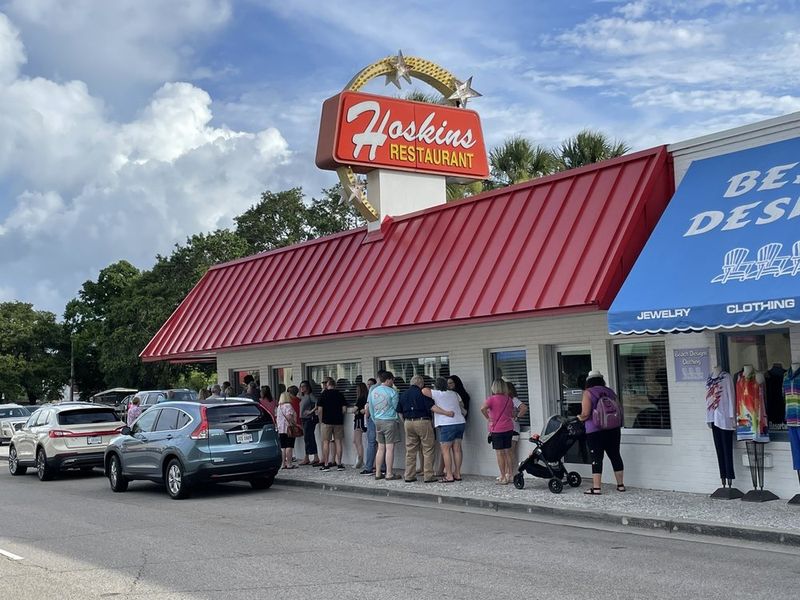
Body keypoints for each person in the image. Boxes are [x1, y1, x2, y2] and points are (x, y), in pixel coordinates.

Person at [398, 375, 454, 483]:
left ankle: (409, 475)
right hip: (423, 421)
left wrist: (405, 421)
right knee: (428, 449)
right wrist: (446, 413)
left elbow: (399, 411)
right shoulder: (423, 393)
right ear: (420, 383)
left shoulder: (403, 394)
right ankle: (428, 476)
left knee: (410, 450)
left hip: (408, 422)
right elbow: (431, 407)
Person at [578, 370, 625, 495]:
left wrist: (579, 418)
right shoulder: (610, 391)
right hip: (613, 429)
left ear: (588, 381)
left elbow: (586, 413)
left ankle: (596, 488)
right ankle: (620, 485)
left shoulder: (588, 393)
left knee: (596, 458)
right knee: (615, 455)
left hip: (595, 431)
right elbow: (619, 409)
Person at [367, 371, 401, 480]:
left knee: (380, 448)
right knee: (389, 448)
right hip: (390, 421)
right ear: (388, 380)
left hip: (378, 421)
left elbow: (370, 408)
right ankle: (389, 473)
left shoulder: (373, 391)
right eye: (392, 380)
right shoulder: (393, 392)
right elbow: (396, 408)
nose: (393, 382)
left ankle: (377, 472)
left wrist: (375, 419)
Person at [431, 377, 466, 482]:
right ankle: (458, 473)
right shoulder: (455, 394)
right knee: (457, 449)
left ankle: (449, 475)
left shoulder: (436, 393)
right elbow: (462, 405)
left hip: (446, 423)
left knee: (445, 450)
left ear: (436, 386)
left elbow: (424, 391)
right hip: (460, 422)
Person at [481, 379, 515, 484]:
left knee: (500, 453)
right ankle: (511, 475)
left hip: (497, 429)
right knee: (508, 451)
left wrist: (489, 418)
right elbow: (512, 413)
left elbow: (482, 408)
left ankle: (503, 476)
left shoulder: (491, 399)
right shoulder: (509, 399)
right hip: (509, 427)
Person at [317, 378, 347, 471]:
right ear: (335, 385)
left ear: (327, 385)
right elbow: (344, 410)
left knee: (326, 442)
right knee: (338, 442)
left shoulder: (323, 394)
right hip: (338, 422)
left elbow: (320, 410)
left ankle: (326, 464)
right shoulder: (340, 394)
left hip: (326, 421)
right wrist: (339, 416)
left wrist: (321, 420)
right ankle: (339, 464)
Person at [298, 380, 320, 466]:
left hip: (309, 419)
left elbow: (317, 402)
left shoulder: (310, 396)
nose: (302, 388)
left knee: (308, 438)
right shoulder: (303, 397)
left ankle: (307, 457)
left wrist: (311, 411)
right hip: (303, 419)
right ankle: (314, 456)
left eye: (303, 386)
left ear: (307, 387)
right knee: (308, 438)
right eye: (301, 386)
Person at [506, 381, 529, 461]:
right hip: (505, 427)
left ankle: (510, 472)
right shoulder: (503, 400)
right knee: (506, 452)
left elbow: (524, 408)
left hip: (513, 428)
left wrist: (517, 417)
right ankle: (507, 472)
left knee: (510, 450)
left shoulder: (513, 399)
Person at [361, 377, 379, 475]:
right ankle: (381, 467)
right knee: (381, 444)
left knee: (371, 443)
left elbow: (368, 406)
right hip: (382, 419)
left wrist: (367, 416)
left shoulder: (372, 390)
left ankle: (369, 467)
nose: (369, 386)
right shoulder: (388, 389)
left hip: (372, 419)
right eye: (367, 384)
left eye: (370, 384)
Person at [276, 392, 299, 469]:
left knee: (283, 447)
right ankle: (289, 463)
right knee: (289, 446)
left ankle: (283, 464)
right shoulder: (288, 406)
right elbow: (289, 417)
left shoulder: (279, 407)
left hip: (281, 429)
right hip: (289, 428)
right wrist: (294, 423)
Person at [353, 382, 368, 469]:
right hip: (362, 420)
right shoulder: (366, 397)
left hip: (359, 420)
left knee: (357, 441)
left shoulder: (360, 398)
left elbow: (354, 409)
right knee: (357, 441)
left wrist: (355, 410)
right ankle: (360, 458)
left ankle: (360, 459)